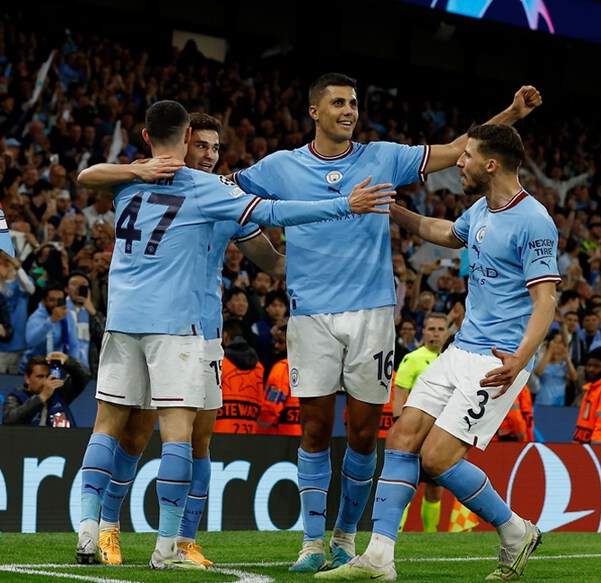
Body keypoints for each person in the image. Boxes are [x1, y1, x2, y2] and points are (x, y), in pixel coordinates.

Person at [231, 73, 542, 572]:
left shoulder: (382, 156)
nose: (349, 110)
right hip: (310, 312)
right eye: (338, 102)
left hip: (374, 314)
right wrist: (267, 258)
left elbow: (458, 149)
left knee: (362, 435)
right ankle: (311, 544)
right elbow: (227, 198)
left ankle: (346, 541)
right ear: (315, 111)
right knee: (313, 431)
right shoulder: (279, 166)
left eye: (353, 102)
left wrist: (509, 115)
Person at [73, 100, 393, 570]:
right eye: (199, 144)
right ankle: (120, 534)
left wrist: (319, 266)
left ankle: (176, 541)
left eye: (215, 148)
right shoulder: (200, 190)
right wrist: (345, 205)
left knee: (191, 437)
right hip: (175, 327)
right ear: (183, 141)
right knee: (149, 435)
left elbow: (272, 260)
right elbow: (278, 212)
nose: (206, 154)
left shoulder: (133, 182)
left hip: (173, 326)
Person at [317, 124, 555, 581]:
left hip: (498, 360)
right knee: (402, 439)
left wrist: (521, 359)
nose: (457, 164)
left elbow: (546, 299)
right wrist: (393, 210)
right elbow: (447, 233)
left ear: (492, 164)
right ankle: (379, 558)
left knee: (438, 459)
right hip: (460, 349)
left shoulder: (534, 221)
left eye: (466, 157)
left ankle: (514, 530)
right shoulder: (484, 208)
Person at [391, 312, 450, 533]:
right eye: (432, 329)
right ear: (423, 332)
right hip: (416, 434)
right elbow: (399, 395)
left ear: (447, 333)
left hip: (442, 435)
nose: (436, 333)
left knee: (435, 488)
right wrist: (400, 427)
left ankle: (430, 537)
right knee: (406, 487)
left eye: (440, 329)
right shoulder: (412, 359)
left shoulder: (453, 360)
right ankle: (395, 535)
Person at [2, 353, 91, 426]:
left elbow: (85, 376)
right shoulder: (16, 397)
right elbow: (9, 421)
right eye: (40, 377)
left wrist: (68, 360)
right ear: (27, 378)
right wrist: (42, 397)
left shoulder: (60, 392)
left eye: (48, 376)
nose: (45, 381)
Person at [214, 318, 266, 435]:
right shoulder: (259, 367)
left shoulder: (219, 362)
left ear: (225, 335)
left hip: (219, 433)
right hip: (249, 434)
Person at [0, 251, 35, 373]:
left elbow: (31, 289)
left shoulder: (23, 280)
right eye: (3, 258)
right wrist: (2, 279)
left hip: (20, 344)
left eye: (9, 257)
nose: (6, 261)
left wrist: (18, 268)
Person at [22, 283, 84, 372]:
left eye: (60, 300)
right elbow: (31, 342)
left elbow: (73, 344)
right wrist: (51, 320)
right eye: (52, 300)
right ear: (44, 301)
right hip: (34, 367)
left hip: (58, 367)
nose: (56, 304)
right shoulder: (36, 317)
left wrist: (72, 367)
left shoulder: (68, 316)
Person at [532, 331, 576, 406]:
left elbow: (574, 378)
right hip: (542, 404)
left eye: (561, 343)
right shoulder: (540, 363)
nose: (559, 346)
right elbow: (538, 372)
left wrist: (567, 358)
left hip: (559, 405)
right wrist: (550, 350)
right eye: (557, 342)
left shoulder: (564, 366)